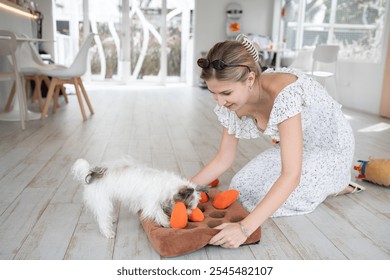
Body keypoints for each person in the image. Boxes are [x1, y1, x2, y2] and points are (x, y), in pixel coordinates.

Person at [190, 35, 364, 249]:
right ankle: (328, 181)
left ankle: (337, 182)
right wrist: (181, 190)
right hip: (294, 147)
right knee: (242, 188)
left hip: (330, 147)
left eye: (226, 93)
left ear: (250, 79)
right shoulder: (231, 102)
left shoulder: (285, 93)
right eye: (213, 93)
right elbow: (223, 159)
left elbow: (291, 175)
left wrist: (244, 229)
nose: (220, 102)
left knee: (289, 197)